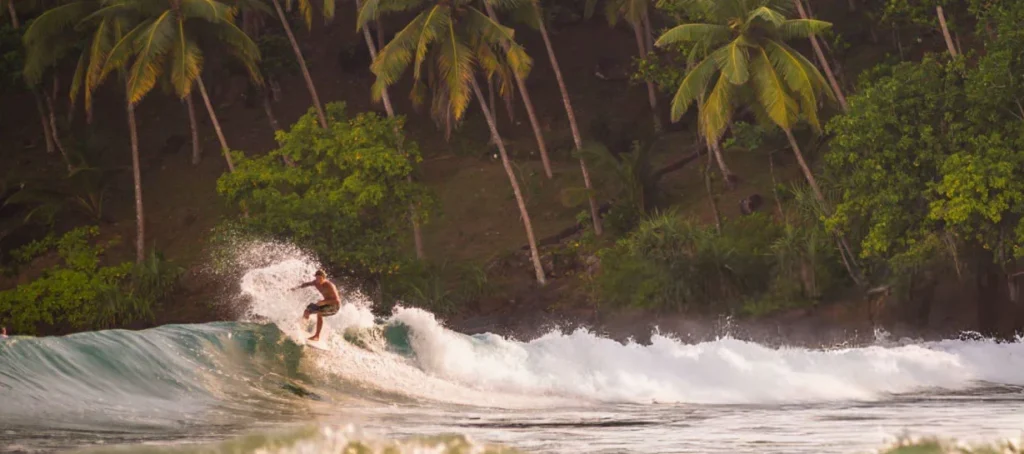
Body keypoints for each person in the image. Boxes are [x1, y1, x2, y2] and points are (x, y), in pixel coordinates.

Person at [290, 269, 342, 341]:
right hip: (325, 304)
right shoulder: (316, 283)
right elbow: (305, 284)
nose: (318, 280)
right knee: (307, 311)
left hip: (334, 306)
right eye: (316, 278)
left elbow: (337, 300)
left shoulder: (329, 285)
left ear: (324, 278)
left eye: (320, 278)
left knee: (319, 313)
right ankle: (301, 328)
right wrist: (294, 288)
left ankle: (317, 336)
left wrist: (324, 302)